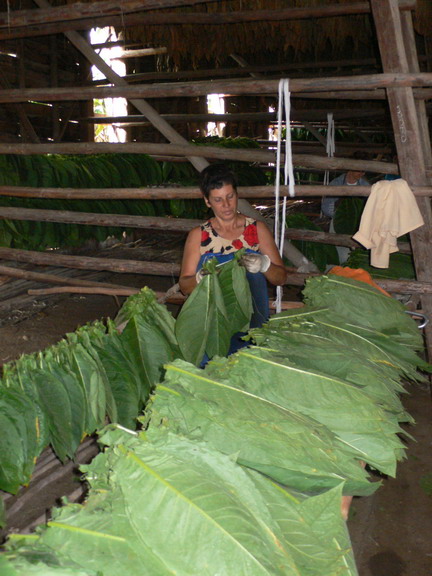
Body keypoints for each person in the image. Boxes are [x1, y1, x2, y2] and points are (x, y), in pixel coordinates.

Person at [179, 163, 287, 337]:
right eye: (218, 199)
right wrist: (199, 278)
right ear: (207, 201)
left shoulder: (257, 229)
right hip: (212, 319)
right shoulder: (199, 236)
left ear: (237, 195)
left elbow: (281, 278)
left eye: (230, 196)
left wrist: (265, 265)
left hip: (252, 315)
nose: (226, 205)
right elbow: (185, 286)